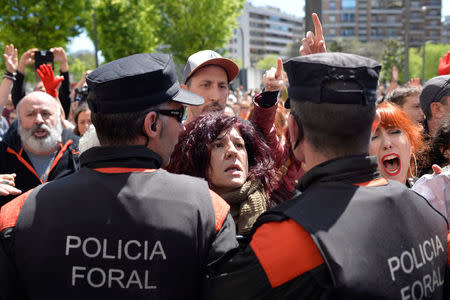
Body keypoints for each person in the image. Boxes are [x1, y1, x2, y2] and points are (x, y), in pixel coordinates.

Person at [203, 52, 450, 299]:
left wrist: (206, 204)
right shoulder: (428, 209)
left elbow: (218, 291)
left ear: (293, 130)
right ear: (374, 123)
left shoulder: (292, 235)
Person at [0, 53, 238, 299]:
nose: (181, 127)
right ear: (152, 124)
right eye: (178, 116)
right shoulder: (209, 211)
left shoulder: (17, 215)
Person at [167, 113, 277, 235]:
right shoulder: (181, 217)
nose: (233, 152)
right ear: (196, 158)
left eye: (239, 145)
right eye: (218, 145)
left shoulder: (273, 213)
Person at [0, 91, 79, 205]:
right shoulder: (4, 153)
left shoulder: (81, 151)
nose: (39, 120)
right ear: (19, 121)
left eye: (45, 113)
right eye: (30, 114)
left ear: (58, 117)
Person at [369, 101, 423, 186]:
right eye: (374, 137)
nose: (387, 144)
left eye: (394, 132)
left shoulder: (428, 193)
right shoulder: (355, 198)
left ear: (411, 144)